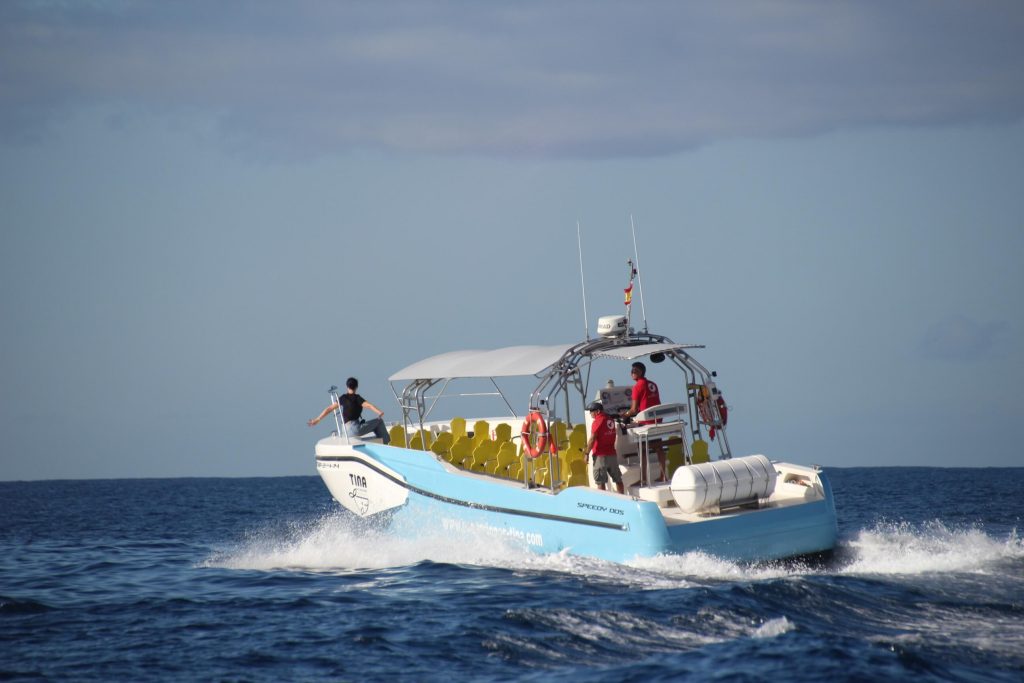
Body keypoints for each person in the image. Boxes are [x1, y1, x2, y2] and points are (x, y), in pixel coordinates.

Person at [620, 361, 666, 482]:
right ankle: (663, 476)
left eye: (635, 370)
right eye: (632, 370)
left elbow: (634, 409)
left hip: (646, 424)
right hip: (656, 421)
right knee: (659, 448)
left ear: (641, 372)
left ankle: (644, 478)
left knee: (642, 450)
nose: (632, 372)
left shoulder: (637, 387)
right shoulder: (653, 384)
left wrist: (625, 415)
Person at [308, 377, 390, 444]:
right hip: (355, 430)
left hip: (345, 431)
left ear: (347, 387)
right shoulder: (357, 398)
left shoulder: (343, 398)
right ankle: (387, 444)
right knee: (379, 422)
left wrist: (317, 419)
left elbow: (329, 409)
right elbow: (369, 405)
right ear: (356, 387)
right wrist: (379, 412)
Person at [585, 401, 624, 494]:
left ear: (598, 411)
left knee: (600, 481)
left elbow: (592, 439)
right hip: (612, 455)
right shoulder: (610, 420)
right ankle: (623, 497)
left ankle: (603, 501)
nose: (590, 413)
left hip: (600, 456)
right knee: (618, 479)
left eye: (591, 411)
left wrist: (586, 453)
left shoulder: (597, 421)